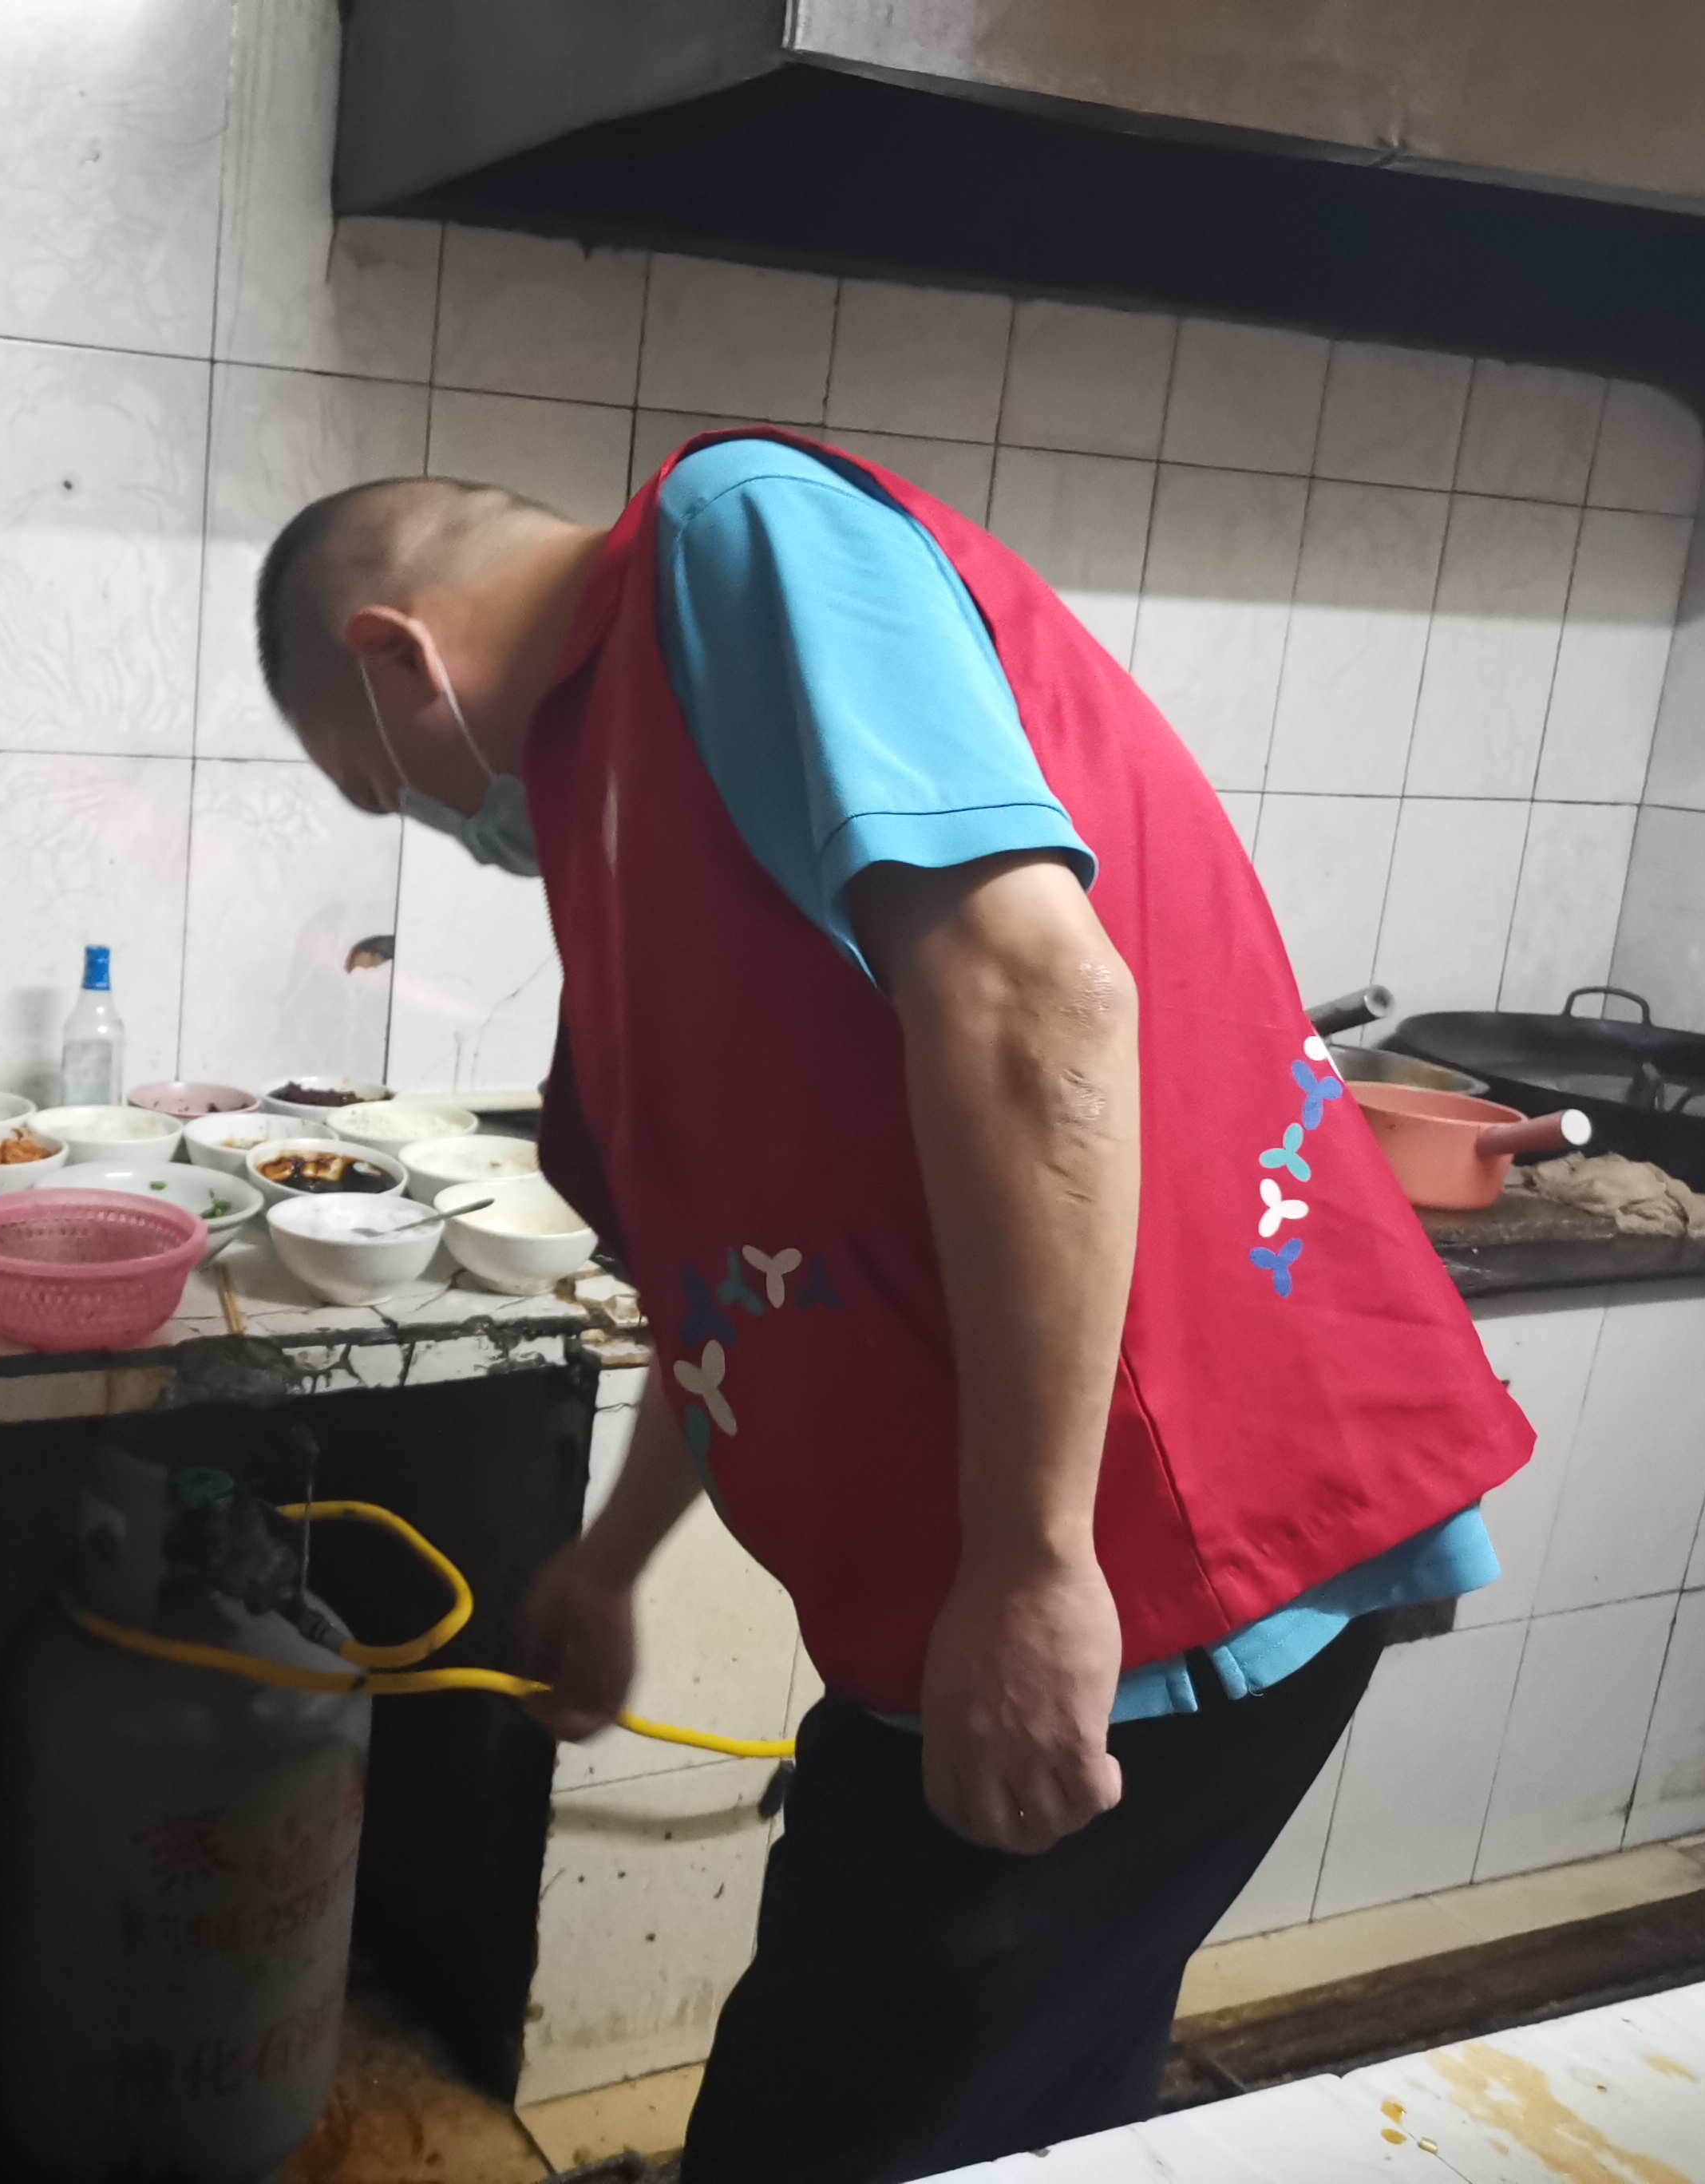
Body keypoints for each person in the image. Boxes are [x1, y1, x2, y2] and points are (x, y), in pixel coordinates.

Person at [251, 429, 1532, 2182]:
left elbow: (1036, 1004)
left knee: (835, 2131)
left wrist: (1032, 1563)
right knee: (1013, 2111)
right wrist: (614, 1557)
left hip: (1149, 1566)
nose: (444, 830)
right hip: (989, 1596)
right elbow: (740, 1271)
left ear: (398, 656)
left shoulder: (735, 540)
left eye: (385, 789)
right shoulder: (626, 810)